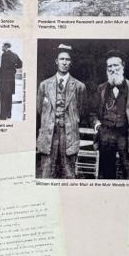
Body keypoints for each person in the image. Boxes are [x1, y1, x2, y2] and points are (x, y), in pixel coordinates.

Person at [36, 44, 86, 178]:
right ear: (56, 61)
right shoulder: (44, 85)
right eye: (62, 59)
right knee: (46, 173)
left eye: (68, 60)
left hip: (69, 135)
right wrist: (51, 121)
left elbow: (80, 111)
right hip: (48, 135)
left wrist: (68, 121)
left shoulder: (79, 87)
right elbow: (40, 109)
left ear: (71, 62)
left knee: (69, 173)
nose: (64, 62)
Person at [92, 52, 129, 179]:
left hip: (126, 137)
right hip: (106, 137)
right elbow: (92, 113)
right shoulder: (102, 88)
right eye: (109, 66)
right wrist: (97, 124)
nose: (112, 69)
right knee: (106, 176)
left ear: (123, 66)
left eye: (115, 65)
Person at [0, 41, 22, 120]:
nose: (2, 48)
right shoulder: (15, 55)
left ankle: (3, 116)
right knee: (9, 97)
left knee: (3, 97)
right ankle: (8, 115)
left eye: (3, 46)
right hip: (11, 80)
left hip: (4, 80)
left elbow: (3, 68)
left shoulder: (4, 55)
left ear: (6, 47)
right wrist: (14, 67)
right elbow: (20, 64)